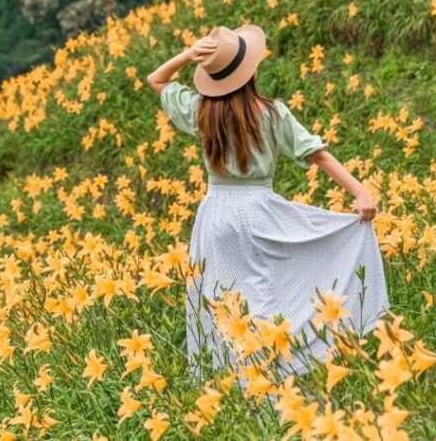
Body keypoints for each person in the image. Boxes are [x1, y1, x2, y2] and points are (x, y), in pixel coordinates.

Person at [146, 23, 390, 387]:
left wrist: (187, 54)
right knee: (269, 296)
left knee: (224, 303)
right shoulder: (271, 112)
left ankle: (236, 385)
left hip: (215, 216)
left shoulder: (201, 110)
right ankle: (275, 380)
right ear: (251, 71)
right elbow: (317, 155)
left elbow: (157, 80)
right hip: (259, 210)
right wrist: (360, 192)